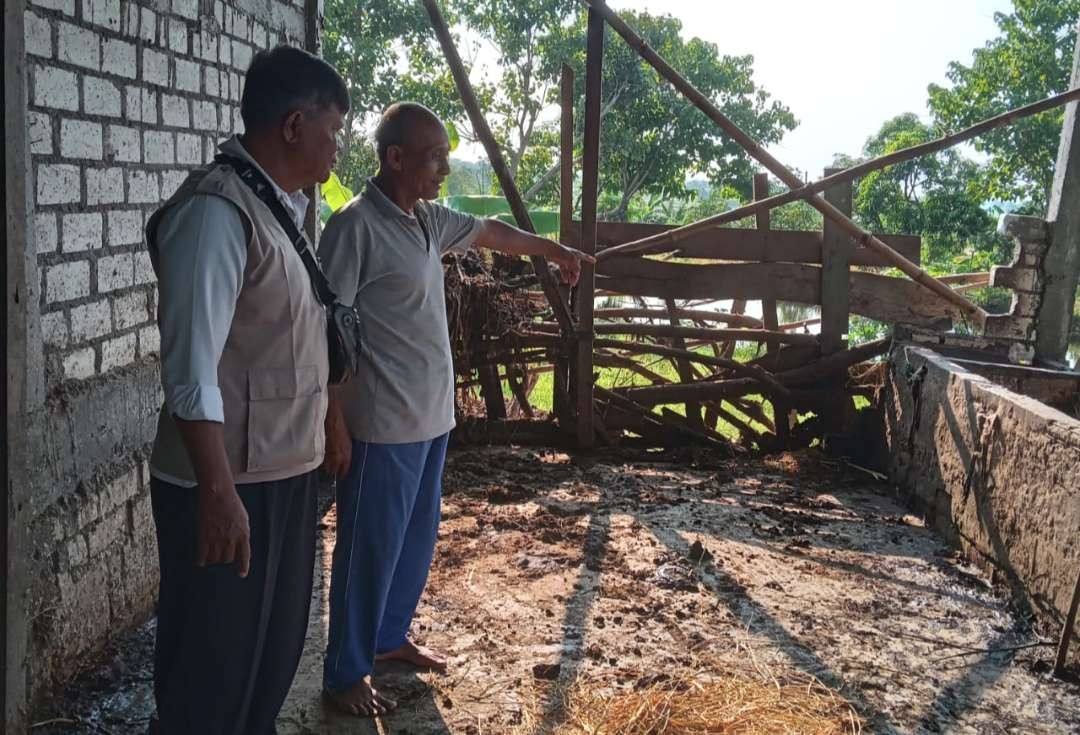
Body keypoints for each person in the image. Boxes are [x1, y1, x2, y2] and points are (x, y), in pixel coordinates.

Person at [318, 101, 594, 717]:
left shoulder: (424, 220)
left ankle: (387, 640)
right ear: (394, 158)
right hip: (381, 425)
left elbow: (493, 231)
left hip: (430, 420)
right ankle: (343, 672)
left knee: (413, 542)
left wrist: (554, 251)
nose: (445, 167)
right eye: (435, 156)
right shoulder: (354, 227)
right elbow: (324, 329)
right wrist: (332, 419)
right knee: (367, 548)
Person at [144, 45, 347, 734]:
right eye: (334, 128)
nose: (338, 146)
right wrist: (218, 491)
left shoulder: (277, 206)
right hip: (229, 482)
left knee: (269, 656)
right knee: (214, 669)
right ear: (293, 126)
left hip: (279, 471)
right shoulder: (214, 212)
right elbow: (190, 369)